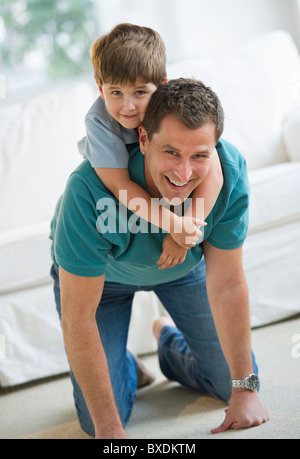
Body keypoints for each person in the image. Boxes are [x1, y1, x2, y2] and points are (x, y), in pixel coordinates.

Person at [50, 79, 269, 439]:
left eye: (199, 156)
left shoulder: (229, 172)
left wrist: (245, 390)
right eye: (171, 153)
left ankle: (166, 340)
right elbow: (78, 318)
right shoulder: (86, 189)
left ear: (213, 151)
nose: (183, 174)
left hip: (181, 271)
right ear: (144, 140)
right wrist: (110, 432)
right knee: (98, 422)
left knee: (228, 380)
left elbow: (228, 284)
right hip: (103, 282)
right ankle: (124, 365)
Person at [77, 24, 223, 269]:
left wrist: (185, 232)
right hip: (114, 199)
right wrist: (174, 226)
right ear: (100, 89)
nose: (128, 106)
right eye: (116, 92)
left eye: (140, 92)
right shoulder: (99, 121)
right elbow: (120, 186)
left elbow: (214, 174)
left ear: (161, 85)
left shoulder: (173, 104)